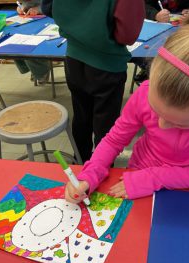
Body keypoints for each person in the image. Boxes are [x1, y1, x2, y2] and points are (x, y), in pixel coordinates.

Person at [64, 2, 189, 202]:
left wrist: (155, 178)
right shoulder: (147, 91)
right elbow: (114, 140)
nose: (161, 125)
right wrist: (90, 174)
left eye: (179, 123)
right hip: (139, 173)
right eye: (157, 111)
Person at [52, 0, 145, 162]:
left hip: (73, 57)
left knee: (81, 116)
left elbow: (50, 8)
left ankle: (80, 164)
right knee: (105, 127)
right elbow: (127, 35)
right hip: (106, 64)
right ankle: (98, 173)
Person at [134, 0, 189, 83]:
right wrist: (155, 15)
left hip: (186, 29)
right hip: (157, 28)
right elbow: (143, 5)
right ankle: (150, 71)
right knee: (147, 55)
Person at [14, 0, 50, 85]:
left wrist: (39, 9)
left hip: (49, 18)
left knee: (34, 43)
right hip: (29, 19)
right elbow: (21, 3)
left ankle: (41, 71)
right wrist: (20, 7)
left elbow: (56, 4)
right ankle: (33, 69)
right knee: (17, 40)